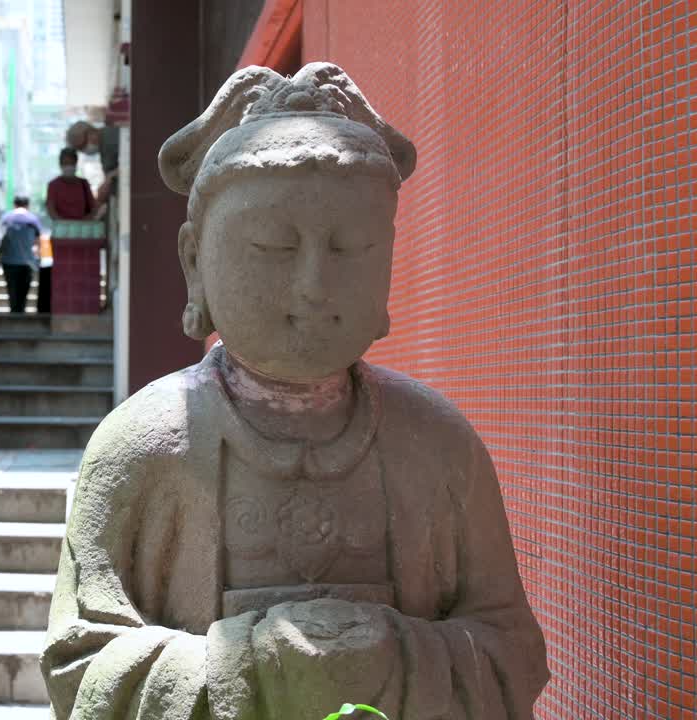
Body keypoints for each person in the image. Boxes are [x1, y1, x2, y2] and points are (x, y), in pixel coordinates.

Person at [41, 63, 548, 718]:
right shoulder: (141, 448)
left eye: (353, 246)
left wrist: (392, 654)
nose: (315, 283)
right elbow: (79, 664)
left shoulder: (440, 446)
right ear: (196, 261)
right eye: (273, 244)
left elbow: (513, 650)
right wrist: (254, 667)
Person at [0, 196, 43, 314]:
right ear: (28, 205)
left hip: (9, 261)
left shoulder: (6, 218)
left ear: (14, 204)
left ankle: (14, 312)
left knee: (12, 290)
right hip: (27, 262)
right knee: (23, 291)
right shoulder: (33, 219)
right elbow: (38, 243)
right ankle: (20, 313)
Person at [66, 120, 120, 206]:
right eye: (80, 149)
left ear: (91, 133)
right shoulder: (104, 148)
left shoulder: (111, 138)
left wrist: (111, 177)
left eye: (83, 146)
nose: (84, 150)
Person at [45, 148, 96, 221]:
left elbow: (93, 209)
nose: (69, 166)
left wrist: (82, 223)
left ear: (76, 164)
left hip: (82, 228)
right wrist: (64, 224)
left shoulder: (84, 184)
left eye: (71, 163)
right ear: (60, 164)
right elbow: (51, 210)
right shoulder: (53, 185)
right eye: (65, 163)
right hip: (61, 229)